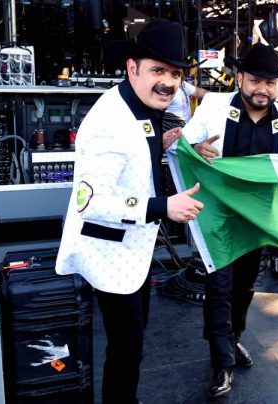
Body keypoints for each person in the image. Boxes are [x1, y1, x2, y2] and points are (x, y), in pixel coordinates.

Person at [55, 19, 204, 403]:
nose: (168, 83)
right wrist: (163, 206)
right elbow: (91, 202)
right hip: (110, 252)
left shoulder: (139, 104)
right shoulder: (109, 122)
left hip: (133, 247)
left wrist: (173, 145)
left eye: (175, 73)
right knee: (126, 348)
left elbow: (138, 154)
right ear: (132, 68)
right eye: (158, 70)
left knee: (131, 345)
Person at [181, 42, 278, 399]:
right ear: (241, 78)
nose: (262, 89)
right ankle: (222, 362)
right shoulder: (216, 106)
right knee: (218, 288)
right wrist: (195, 147)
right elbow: (182, 144)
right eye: (256, 81)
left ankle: (232, 339)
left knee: (246, 287)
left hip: (259, 217)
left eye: (271, 82)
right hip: (218, 216)